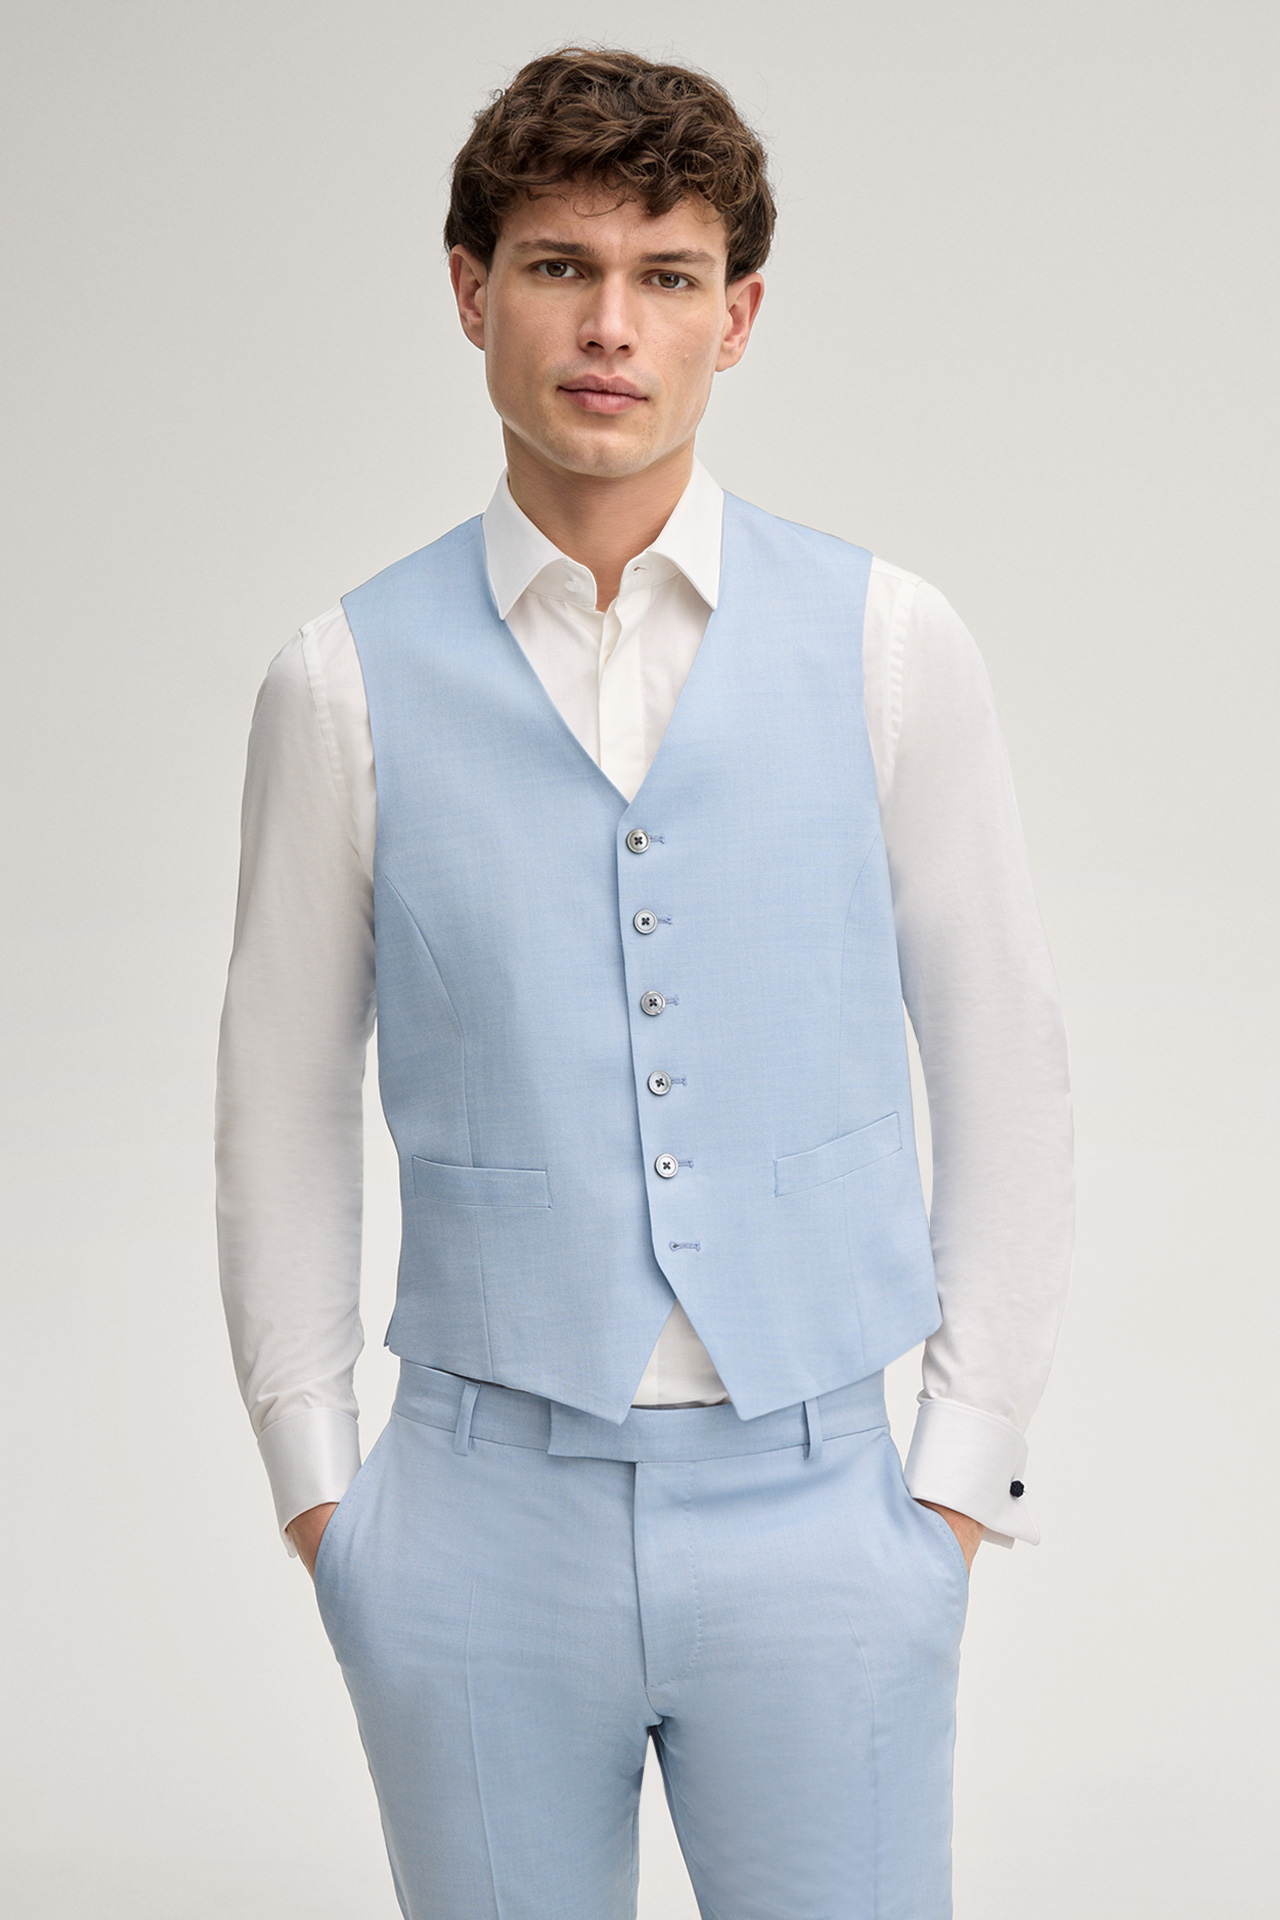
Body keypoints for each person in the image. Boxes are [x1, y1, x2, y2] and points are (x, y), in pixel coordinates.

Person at [216, 45, 1073, 1920]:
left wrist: (956, 1485)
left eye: (665, 276)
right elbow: (276, 1104)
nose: (611, 325)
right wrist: (325, 1500)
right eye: (560, 265)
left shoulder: (889, 644)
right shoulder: (341, 680)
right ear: (472, 291)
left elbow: (1005, 1061)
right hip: (470, 1523)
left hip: (824, 1515)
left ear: (734, 318)